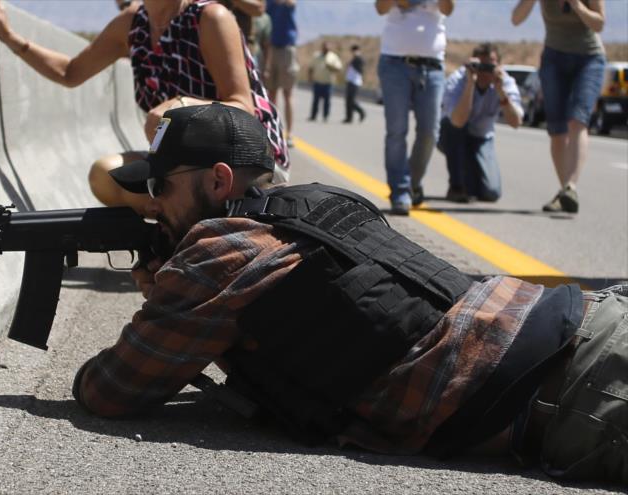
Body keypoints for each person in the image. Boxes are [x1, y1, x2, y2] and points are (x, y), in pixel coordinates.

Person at [73, 103, 627, 484]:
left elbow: (111, 390)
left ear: (218, 181)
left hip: (581, 390)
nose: (153, 204)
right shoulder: (319, 202)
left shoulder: (220, 252)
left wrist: (162, 297)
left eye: (160, 186)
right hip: (587, 320)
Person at [0, 0, 289, 214]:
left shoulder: (211, 17)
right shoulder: (133, 23)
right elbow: (70, 73)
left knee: (165, 131)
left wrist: (181, 108)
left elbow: (242, 106)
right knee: (104, 174)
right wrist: (10, 38)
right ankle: (178, 234)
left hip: (243, 159)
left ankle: (194, 234)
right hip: (184, 163)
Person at [512, 0, 607, 214]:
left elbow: (599, 24)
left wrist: (578, 6)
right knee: (556, 129)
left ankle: (571, 186)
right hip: (554, 58)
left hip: (589, 58)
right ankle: (565, 190)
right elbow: (516, 20)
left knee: (578, 119)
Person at [375, 0, 453, 216]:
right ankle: (400, 191)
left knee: (430, 132)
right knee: (397, 131)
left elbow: (449, 9)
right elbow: (381, 8)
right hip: (394, 63)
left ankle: (412, 182)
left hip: (432, 66)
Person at [438, 43, 524, 203]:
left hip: (481, 139)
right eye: (480, 65)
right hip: (452, 136)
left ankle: (470, 182)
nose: (485, 71)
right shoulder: (458, 79)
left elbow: (516, 122)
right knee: (453, 128)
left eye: (489, 65)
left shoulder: (505, 82)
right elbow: (457, 121)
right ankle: (456, 186)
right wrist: (470, 84)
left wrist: (501, 92)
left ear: (499, 65)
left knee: (491, 193)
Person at [265, 0, 298, 147]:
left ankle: (289, 133)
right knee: (271, 94)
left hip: (286, 47)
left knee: (287, 93)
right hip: (270, 47)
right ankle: (273, 129)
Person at [307, 41, 342, 123]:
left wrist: (331, 67)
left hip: (328, 83)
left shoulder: (333, 57)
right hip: (318, 82)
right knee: (316, 100)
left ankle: (325, 116)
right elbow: (311, 67)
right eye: (324, 47)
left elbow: (339, 68)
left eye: (327, 47)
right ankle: (313, 116)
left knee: (327, 101)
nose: (326, 49)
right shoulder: (317, 56)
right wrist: (310, 77)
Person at [342, 44, 366, 124]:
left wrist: (355, 59)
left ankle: (361, 112)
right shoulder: (354, 59)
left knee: (352, 101)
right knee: (348, 101)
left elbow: (361, 69)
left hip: (355, 82)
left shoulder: (359, 59)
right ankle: (349, 118)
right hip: (350, 81)